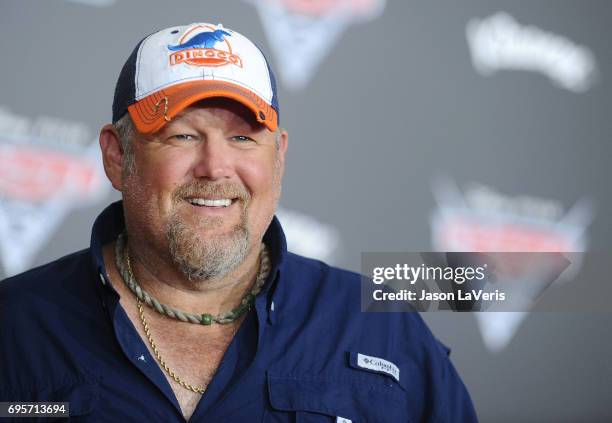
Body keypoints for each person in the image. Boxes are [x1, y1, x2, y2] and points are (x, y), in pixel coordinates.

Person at [0, 23, 477, 422]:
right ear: (117, 155)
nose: (215, 167)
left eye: (244, 139)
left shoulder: (383, 330)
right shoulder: (15, 327)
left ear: (280, 157)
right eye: (182, 135)